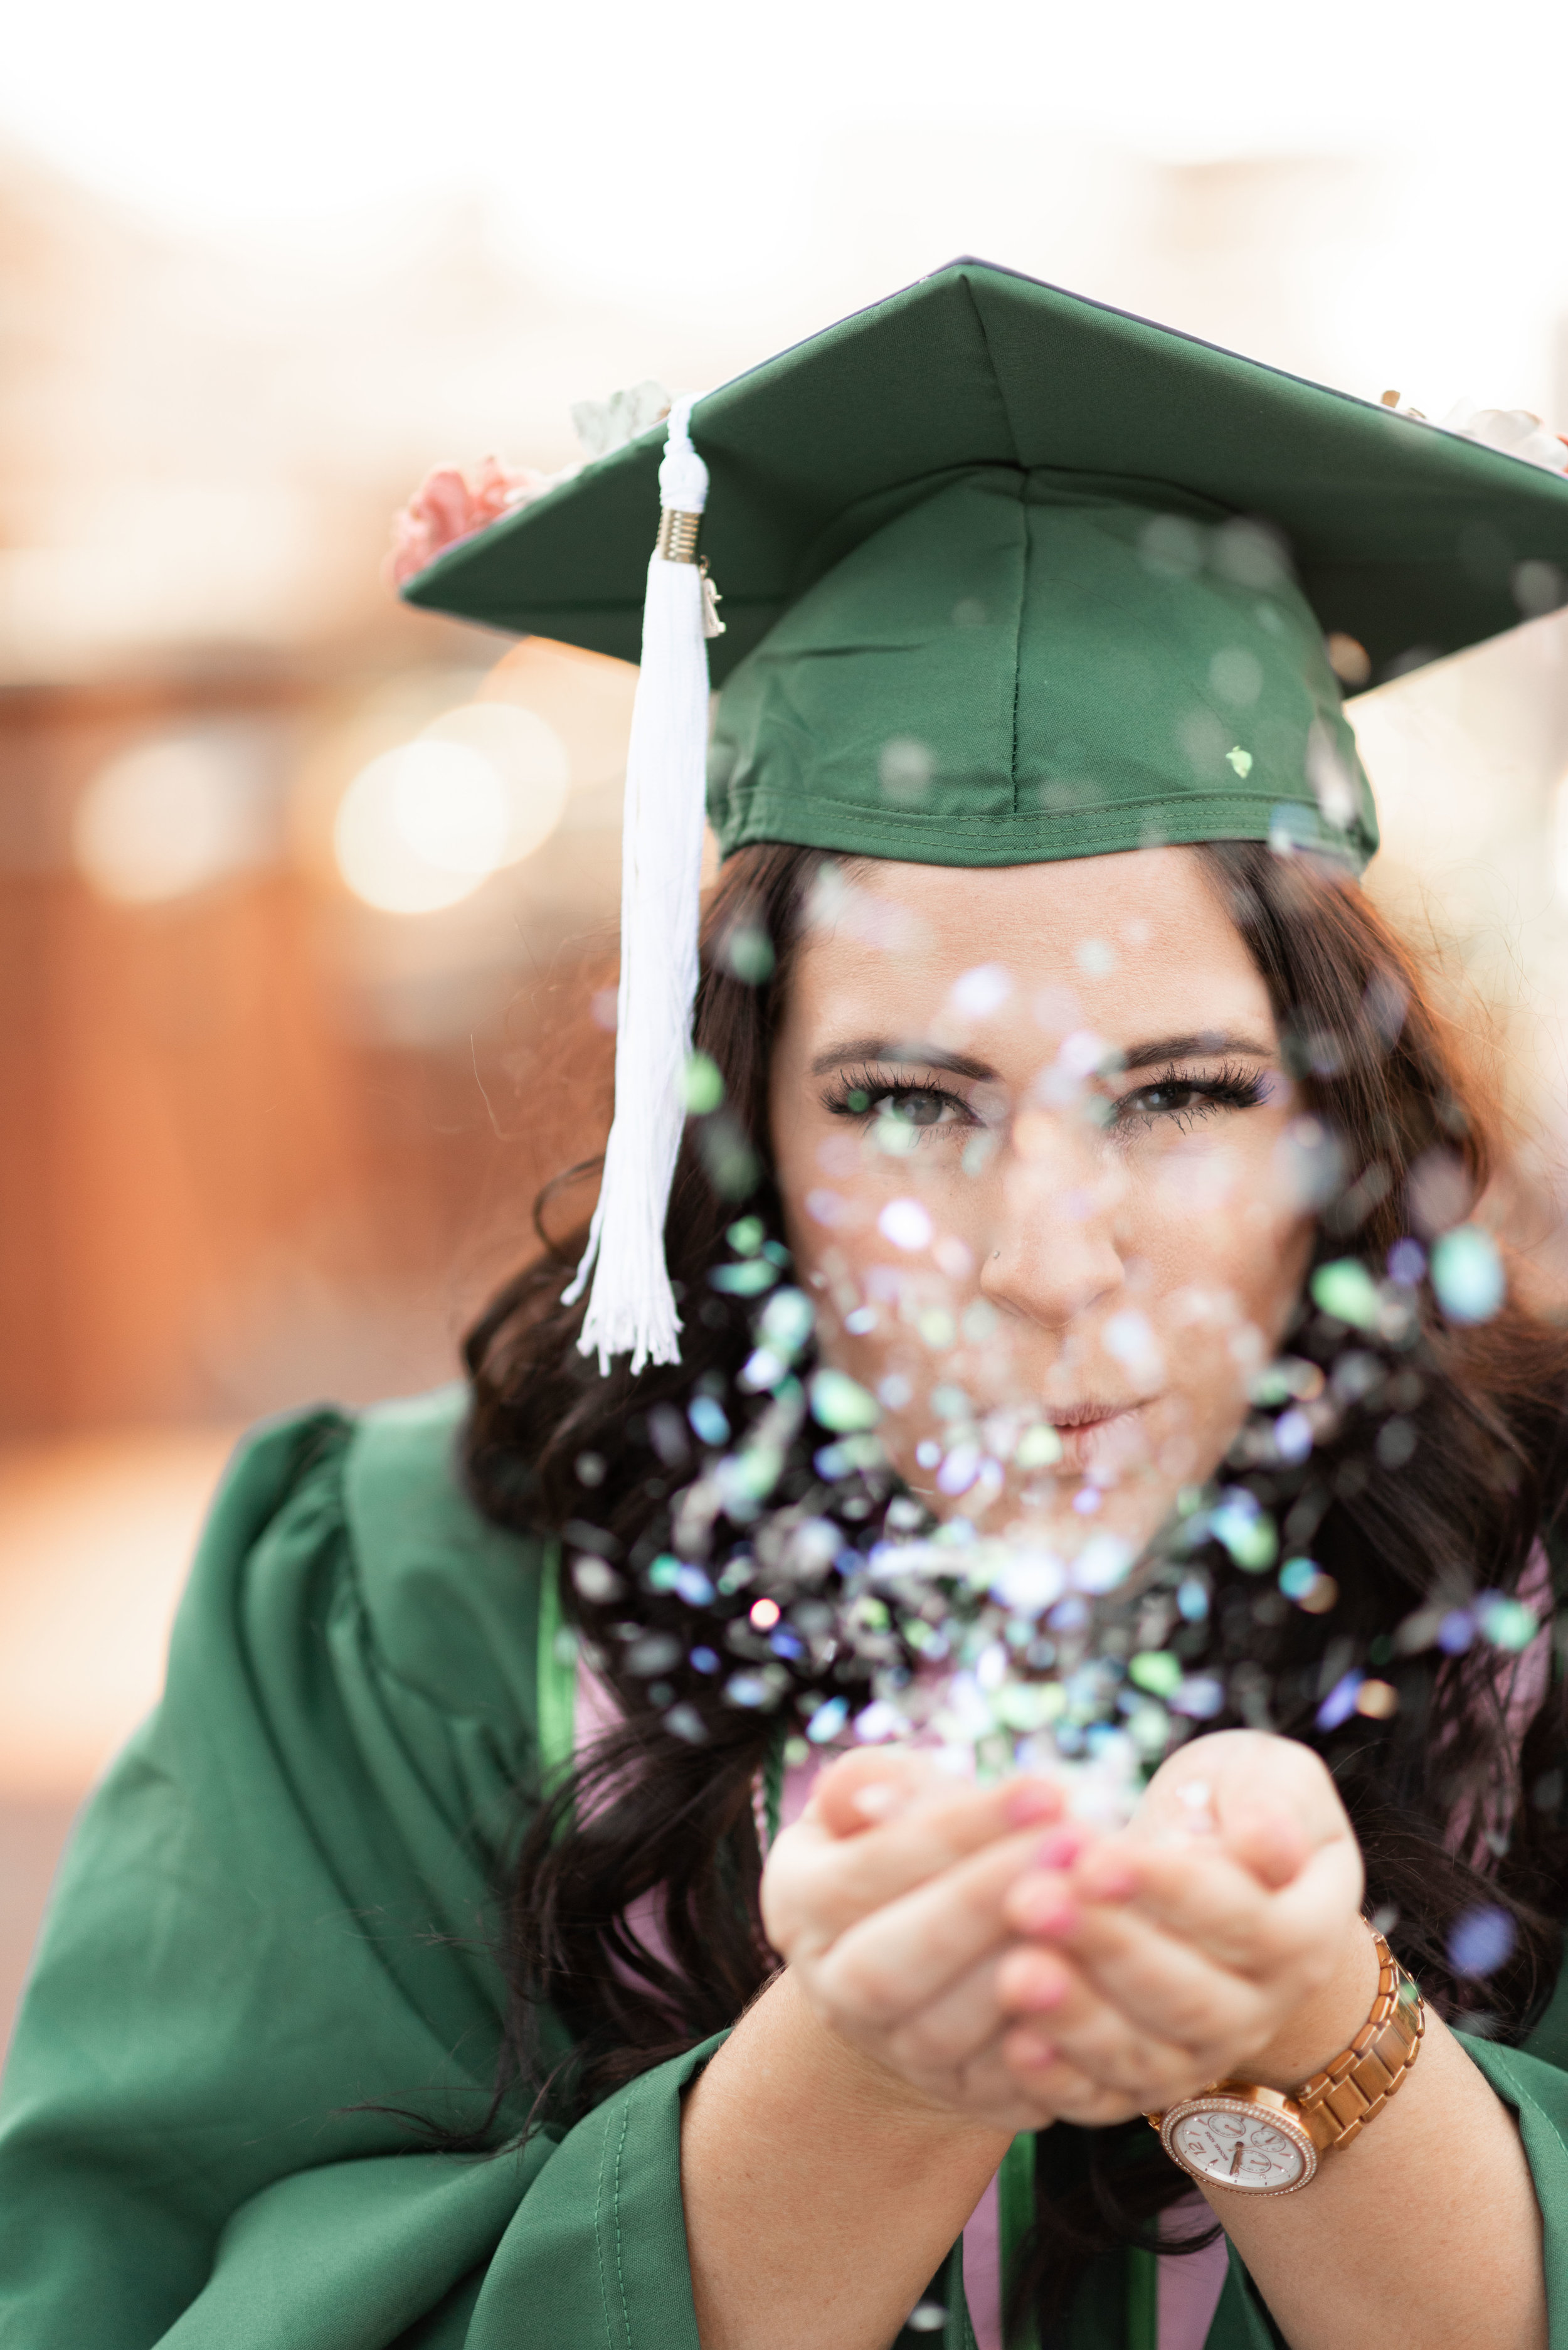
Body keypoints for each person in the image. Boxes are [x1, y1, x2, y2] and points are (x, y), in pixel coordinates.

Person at [4, 259, 1568, 2350]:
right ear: (732, 1127)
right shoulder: (404, 1599)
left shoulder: (1533, 1571)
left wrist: (1315, 2052)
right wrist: (856, 2089)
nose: (1041, 1253)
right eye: (907, 1100)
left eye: (1181, 1092)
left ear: (1341, 1122)